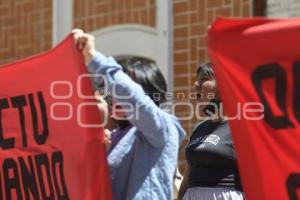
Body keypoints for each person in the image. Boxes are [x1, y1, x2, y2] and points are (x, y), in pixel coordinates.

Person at [72, 29, 186, 200]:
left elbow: (135, 98)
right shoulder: (115, 135)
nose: (113, 94)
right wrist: (99, 154)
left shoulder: (163, 126)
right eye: (111, 88)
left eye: (120, 87)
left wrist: (93, 57)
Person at [178, 63, 244, 200]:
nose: (196, 84)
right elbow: (186, 180)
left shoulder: (240, 128)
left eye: (203, 79)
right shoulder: (198, 128)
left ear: (223, 84)